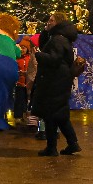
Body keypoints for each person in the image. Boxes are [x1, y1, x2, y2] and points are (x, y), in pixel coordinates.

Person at [30, 18, 81, 156]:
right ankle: (70, 144)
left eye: (51, 20)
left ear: (58, 24)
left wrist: (38, 54)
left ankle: (52, 147)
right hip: (61, 80)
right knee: (59, 114)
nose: (48, 21)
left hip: (53, 81)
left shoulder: (57, 39)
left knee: (50, 114)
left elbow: (54, 59)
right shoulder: (62, 39)